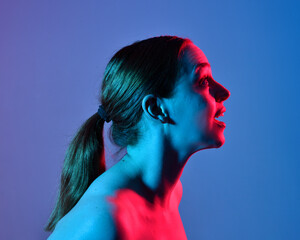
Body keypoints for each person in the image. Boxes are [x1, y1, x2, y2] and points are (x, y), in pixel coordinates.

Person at [45, 35, 230, 239]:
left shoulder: (171, 193)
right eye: (203, 80)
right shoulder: (104, 220)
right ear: (156, 108)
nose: (224, 92)